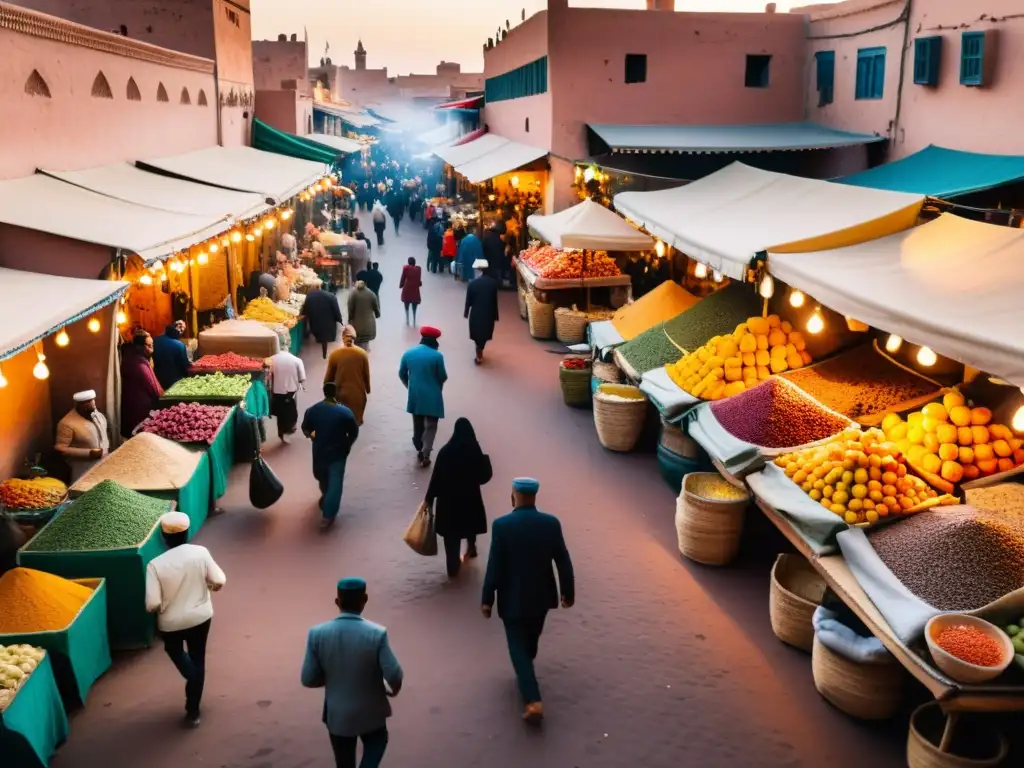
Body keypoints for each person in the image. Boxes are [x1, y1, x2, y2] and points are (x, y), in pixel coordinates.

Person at [481, 478, 574, 724]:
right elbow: (563, 560)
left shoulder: (502, 525)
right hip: (542, 598)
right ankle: (526, 671)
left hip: (511, 598)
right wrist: (568, 592)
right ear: (534, 496)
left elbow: (494, 565)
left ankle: (533, 700)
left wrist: (487, 599)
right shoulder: (551, 524)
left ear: (514, 496)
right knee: (531, 641)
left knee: (517, 648)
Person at [301, 577, 403, 768]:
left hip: (338, 716)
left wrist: (334, 676)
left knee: (344, 761)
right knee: (377, 743)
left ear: (337, 602)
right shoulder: (377, 633)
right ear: (365, 600)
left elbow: (308, 678)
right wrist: (389, 689)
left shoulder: (317, 634)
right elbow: (395, 675)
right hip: (372, 712)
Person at [145, 511, 227, 727]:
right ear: (186, 532)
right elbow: (219, 579)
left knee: (175, 651)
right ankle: (193, 712)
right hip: (201, 616)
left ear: (163, 537)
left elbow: (152, 603)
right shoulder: (200, 553)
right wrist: (209, 587)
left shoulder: (155, 565)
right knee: (198, 656)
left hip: (171, 624)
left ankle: (191, 674)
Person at [425, 418, 492, 578]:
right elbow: (484, 476)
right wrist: (485, 460)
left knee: (451, 538)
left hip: (448, 506)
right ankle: (471, 547)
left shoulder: (445, 452)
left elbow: (436, 479)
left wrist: (429, 499)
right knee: (469, 526)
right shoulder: (474, 451)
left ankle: (452, 571)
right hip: (470, 501)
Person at [302, 382, 360, 530]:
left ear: (324, 392)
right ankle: (328, 515)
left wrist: (312, 435)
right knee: (335, 482)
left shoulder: (313, 410)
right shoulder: (345, 412)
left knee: (322, 477)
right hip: (338, 453)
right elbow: (353, 433)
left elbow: (305, 428)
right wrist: (348, 445)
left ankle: (327, 502)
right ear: (336, 393)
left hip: (319, 451)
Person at [398, 327, 447, 468]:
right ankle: (426, 453)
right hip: (433, 396)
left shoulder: (409, 354)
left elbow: (402, 373)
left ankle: (418, 446)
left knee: (417, 424)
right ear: (435, 341)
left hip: (416, 396)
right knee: (431, 426)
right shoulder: (437, 356)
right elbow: (443, 376)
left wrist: (410, 386)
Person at [55, 390, 110, 483]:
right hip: (82, 468)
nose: (93, 405)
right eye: (88, 403)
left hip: (104, 464)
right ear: (80, 405)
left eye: (93, 401)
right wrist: (89, 453)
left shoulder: (98, 415)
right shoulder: (66, 423)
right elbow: (60, 449)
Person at [120, 330, 163, 438]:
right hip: (140, 413)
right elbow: (155, 390)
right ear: (139, 347)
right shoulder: (140, 365)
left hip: (132, 409)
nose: (152, 349)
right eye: (149, 346)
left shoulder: (131, 357)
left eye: (152, 345)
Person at [325, 326, 371, 425]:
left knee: (340, 422)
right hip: (357, 394)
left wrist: (327, 392)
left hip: (339, 393)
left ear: (342, 337)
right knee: (355, 422)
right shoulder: (362, 354)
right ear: (355, 337)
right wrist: (368, 389)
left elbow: (328, 378)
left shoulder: (335, 354)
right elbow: (366, 375)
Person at [269, 348, 306, 442]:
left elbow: (268, 376)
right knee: (291, 410)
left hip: (277, 391)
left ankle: (281, 431)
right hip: (291, 391)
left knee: (280, 412)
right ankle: (290, 428)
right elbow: (302, 378)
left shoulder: (272, 359)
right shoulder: (297, 360)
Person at [465, 266, 500, 364]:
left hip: (476, 312)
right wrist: (496, 315)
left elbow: (469, 301)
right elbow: (494, 301)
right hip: (488, 312)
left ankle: (478, 350)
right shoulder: (493, 284)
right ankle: (480, 349)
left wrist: (466, 312)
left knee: (476, 332)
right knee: (485, 332)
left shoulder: (472, 284)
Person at [303, 287, 344, 360]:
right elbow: (336, 310)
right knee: (325, 339)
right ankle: (324, 355)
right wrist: (340, 320)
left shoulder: (309, 297)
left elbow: (305, 311)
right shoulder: (331, 296)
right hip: (329, 324)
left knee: (321, 338)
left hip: (315, 323)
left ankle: (324, 354)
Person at [152, 320, 190, 390]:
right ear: (179, 328)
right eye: (182, 329)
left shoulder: (154, 340)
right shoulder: (179, 345)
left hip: (158, 380)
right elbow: (185, 366)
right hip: (175, 382)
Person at [346, 280, 380, 352]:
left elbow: (350, 308)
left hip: (356, 323)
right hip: (368, 323)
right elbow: (376, 307)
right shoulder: (370, 293)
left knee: (357, 341)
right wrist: (377, 314)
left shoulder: (353, 293)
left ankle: (358, 355)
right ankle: (364, 354)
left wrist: (350, 319)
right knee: (365, 341)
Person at [399, 257, 422, 326]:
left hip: (407, 289)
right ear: (415, 263)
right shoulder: (419, 269)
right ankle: (414, 319)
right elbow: (418, 279)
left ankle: (407, 319)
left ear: (408, 263)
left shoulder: (406, 268)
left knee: (406, 303)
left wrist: (401, 285)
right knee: (414, 304)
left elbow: (403, 278)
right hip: (415, 289)